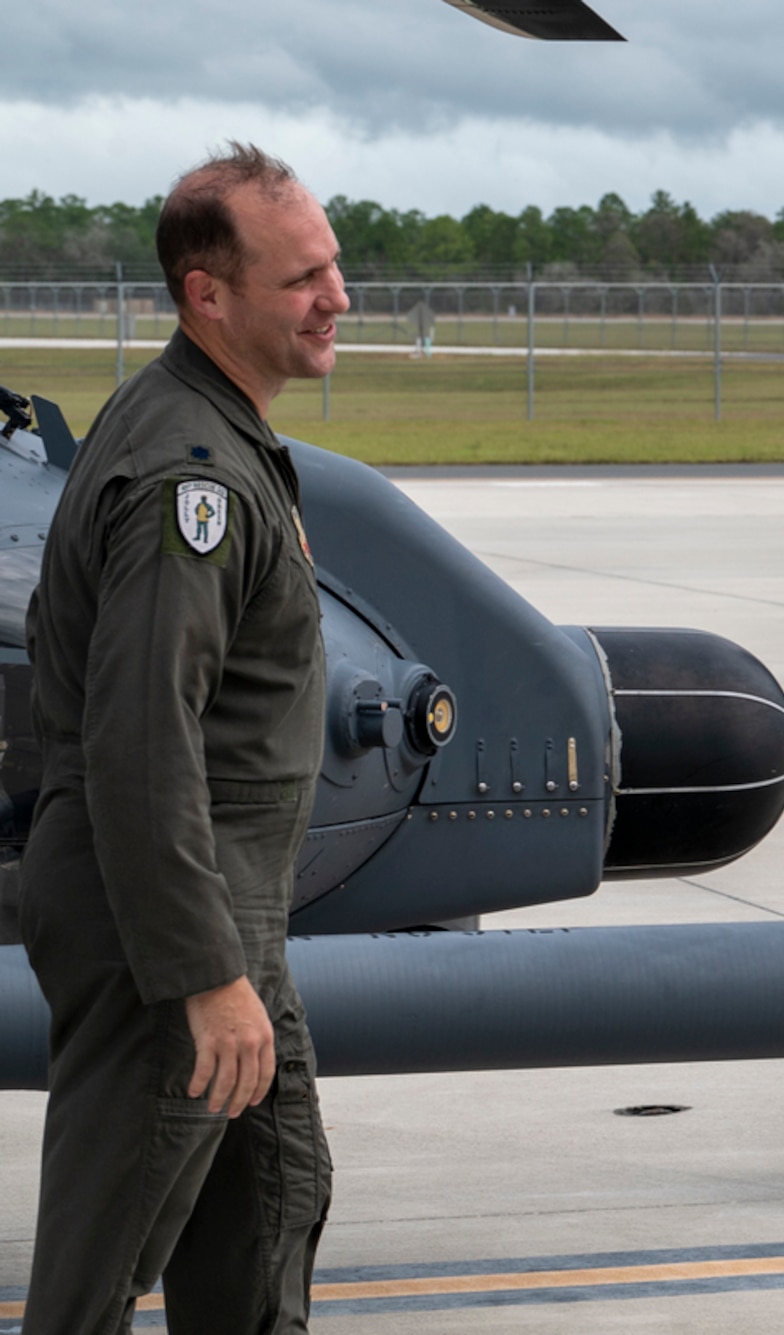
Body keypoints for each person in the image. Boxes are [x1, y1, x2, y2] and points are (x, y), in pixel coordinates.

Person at [19, 142, 348, 1333]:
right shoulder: (187, 473)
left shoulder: (214, 428)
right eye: (301, 277)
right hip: (163, 927)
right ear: (208, 294)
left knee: (266, 1208)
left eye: (334, 264)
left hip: (218, 918)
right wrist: (206, 978)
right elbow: (141, 740)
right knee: (103, 1266)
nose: (336, 298)